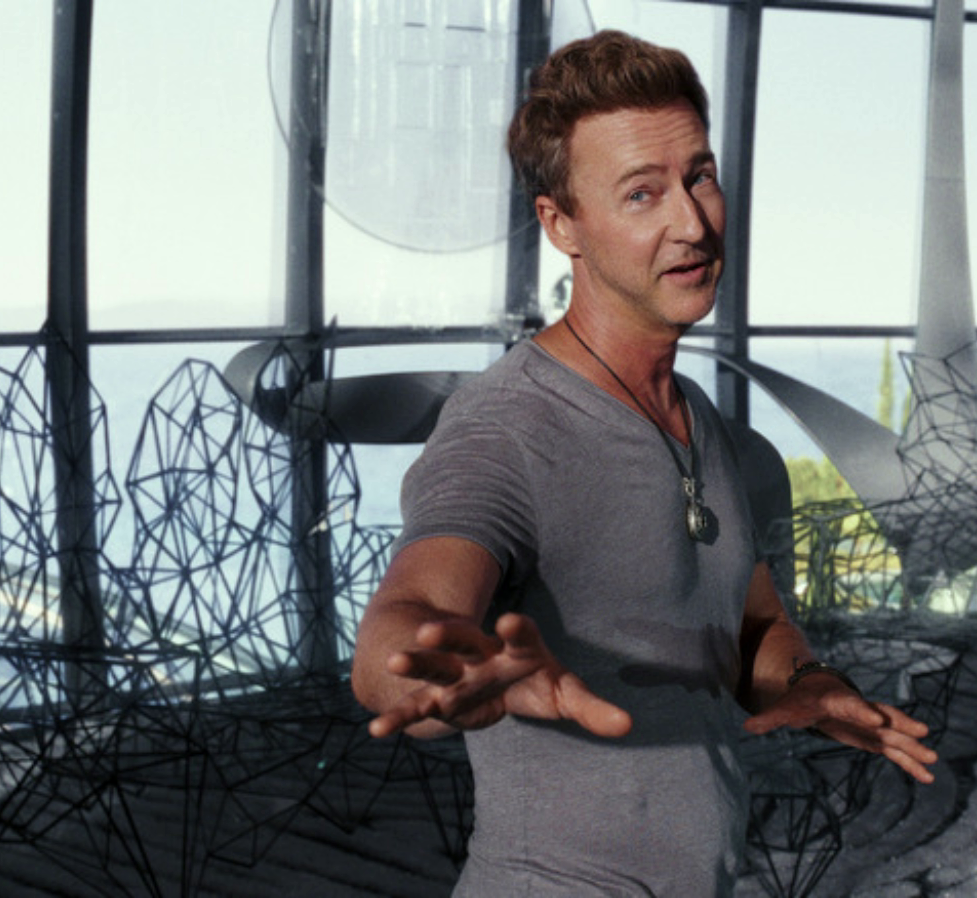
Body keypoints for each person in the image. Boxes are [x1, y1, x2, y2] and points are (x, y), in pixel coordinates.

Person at [351, 29, 938, 895]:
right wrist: (454, 673)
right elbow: (402, 625)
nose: (692, 223)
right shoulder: (505, 426)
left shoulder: (706, 425)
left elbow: (748, 624)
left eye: (700, 176)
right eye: (641, 193)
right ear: (562, 224)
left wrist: (806, 681)